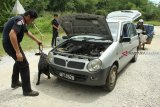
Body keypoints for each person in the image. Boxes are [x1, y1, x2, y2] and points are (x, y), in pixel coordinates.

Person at [2, 10, 42, 96]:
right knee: (24, 65)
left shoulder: (21, 20)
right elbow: (12, 34)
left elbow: (27, 32)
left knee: (19, 62)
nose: (32, 22)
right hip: (10, 44)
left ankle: (15, 82)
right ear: (28, 17)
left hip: (8, 43)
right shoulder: (20, 20)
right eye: (32, 20)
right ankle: (27, 90)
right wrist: (17, 52)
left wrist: (37, 40)